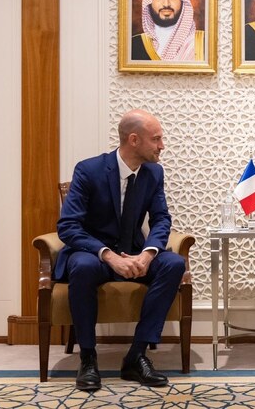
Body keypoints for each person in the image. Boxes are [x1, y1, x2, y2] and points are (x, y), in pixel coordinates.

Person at [56, 109, 185, 392]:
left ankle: (137, 355)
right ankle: (88, 358)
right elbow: (68, 226)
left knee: (174, 264)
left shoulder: (154, 172)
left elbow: (161, 219)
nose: (162, 145)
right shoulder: (89, 170)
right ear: (134, 140)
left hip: (134, 252)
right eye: (156, 139)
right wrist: (109, 255)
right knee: (83, 266)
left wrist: (148, 254)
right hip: (95, 254)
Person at [131, 0, 204, 61]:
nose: (166, 4)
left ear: (182, 0)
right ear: (149, 1)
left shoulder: (203, 42)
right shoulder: (134, 45)